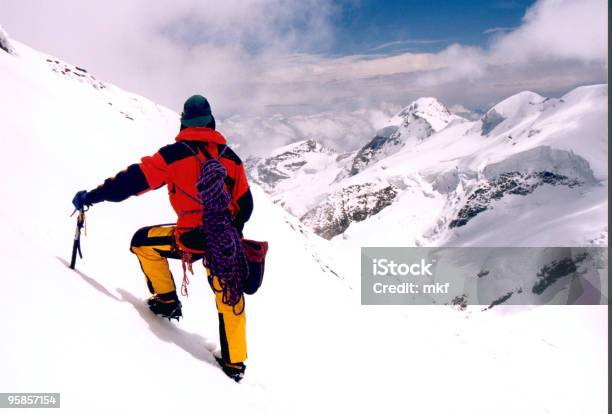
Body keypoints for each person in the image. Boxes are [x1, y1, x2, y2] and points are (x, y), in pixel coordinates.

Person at [72, 95, 253, 382]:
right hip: (224, 241)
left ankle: (167, 300)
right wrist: (226, 235)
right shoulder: (232, 160)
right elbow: (246, 207)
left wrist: (92, 197)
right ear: (212, 122)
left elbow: (130, 182)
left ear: (184, 122)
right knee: (229, 296)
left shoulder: (173, 155)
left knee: (142, 242)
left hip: (189, 238)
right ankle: (234, 364)